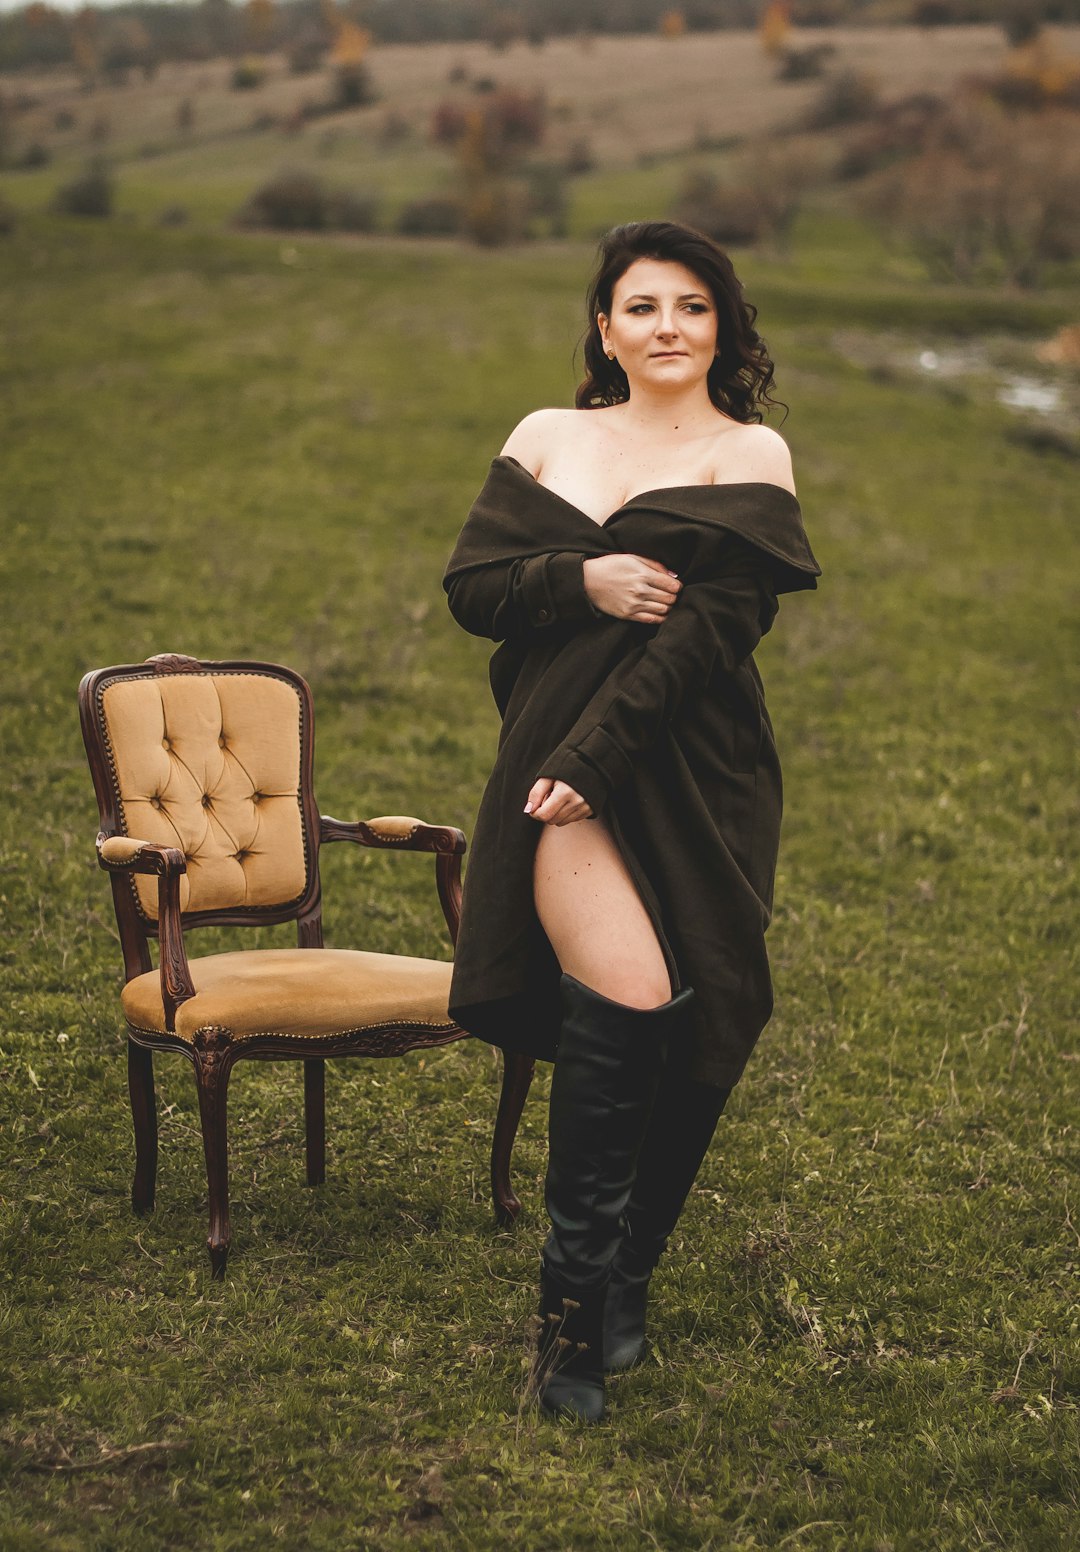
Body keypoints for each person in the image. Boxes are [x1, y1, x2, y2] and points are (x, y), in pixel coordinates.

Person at [442, 220, 820, 1423]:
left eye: (693, 306)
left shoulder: (751, 450)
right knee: (630, 1002)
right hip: (558, 763)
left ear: (725, 328)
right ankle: (565, 1324)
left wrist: (608, 751)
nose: (668, 326)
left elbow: (715, 633)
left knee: (720, 1005)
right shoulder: (548, 437)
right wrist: (582, 579)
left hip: (693, 762)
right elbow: (473, 590)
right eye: (643, 305)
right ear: (604, 326)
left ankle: (627, 1276)